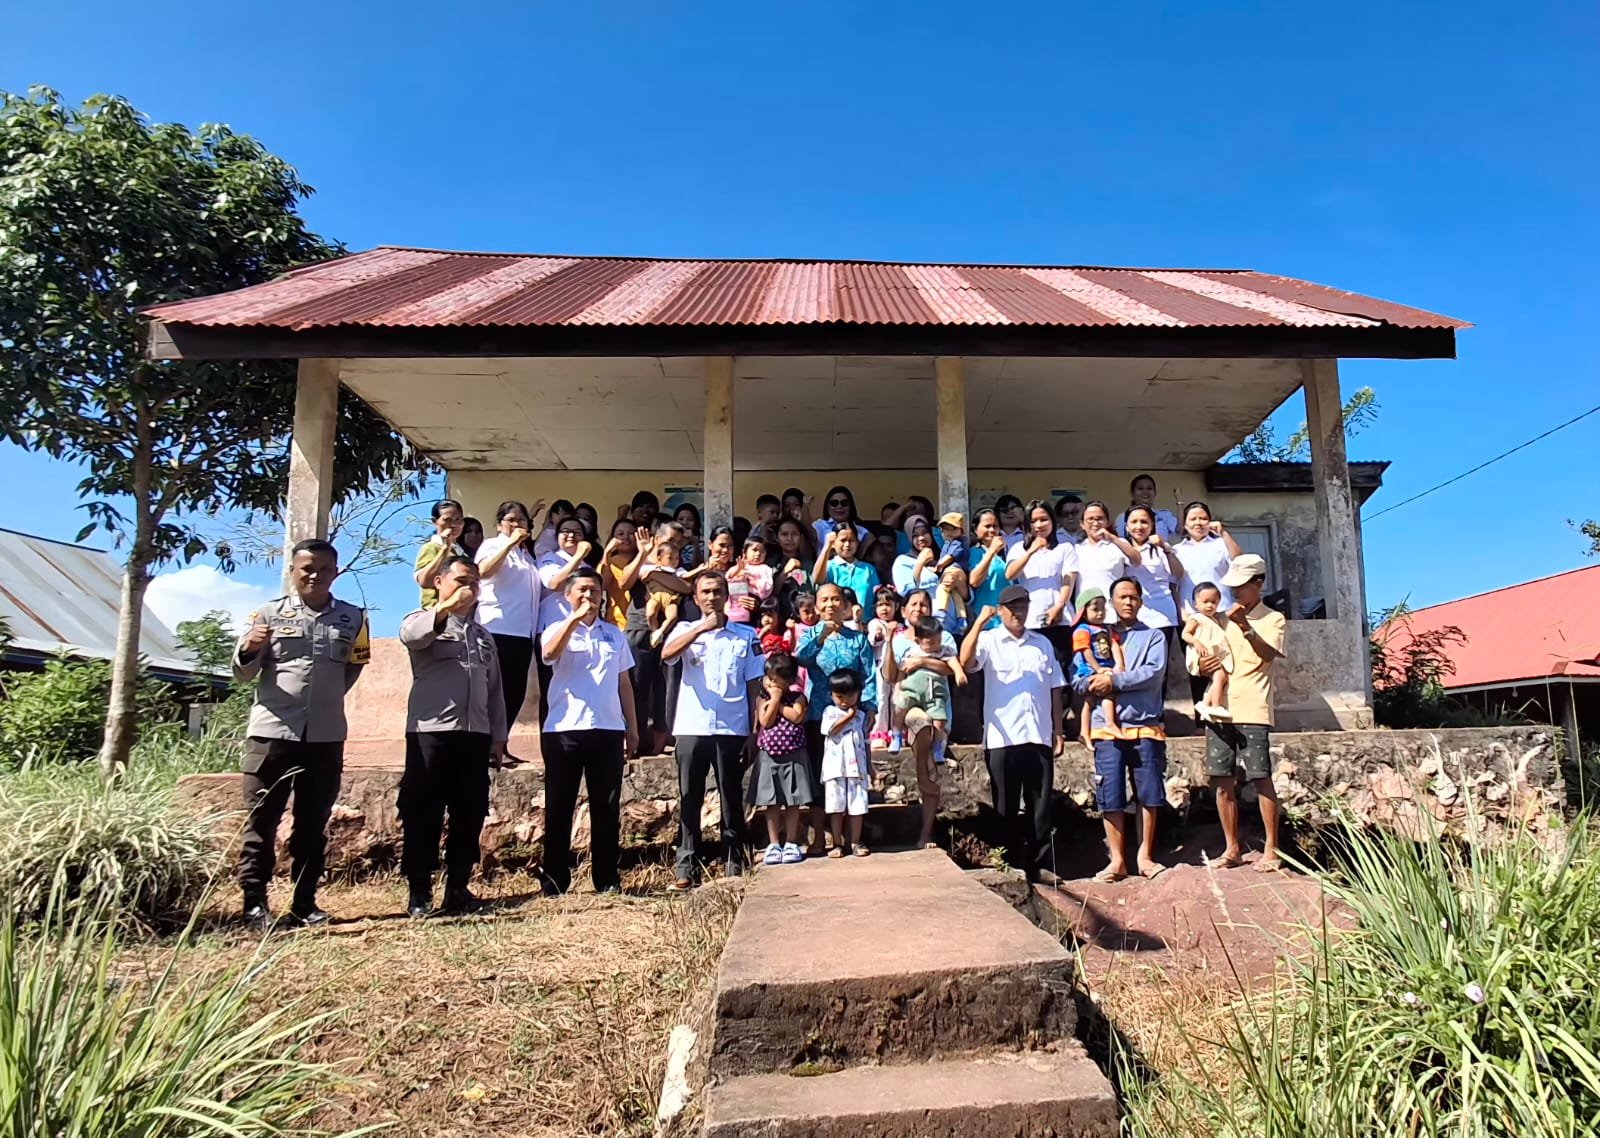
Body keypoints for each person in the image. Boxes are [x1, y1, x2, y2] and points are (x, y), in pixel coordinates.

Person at [233, 538, 369, 930]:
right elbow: (242, 672)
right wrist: (248, 649)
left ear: (335, 573)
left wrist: (324, 699)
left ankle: (304, 902)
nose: (315, 575)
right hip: (272, 733)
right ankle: (254, 904)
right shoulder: (267, 614)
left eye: (324, 569)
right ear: (292, 571)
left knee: (313, 823)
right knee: (262, 821)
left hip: (325, 736)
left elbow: (353, 667)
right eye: (307, 568)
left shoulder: (354, 618)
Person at [398, 556, 506, 917]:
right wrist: (444, 608)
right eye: (461, 580)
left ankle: (458, 888)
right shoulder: (422, 620)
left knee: (470, 811)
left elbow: (495, 690)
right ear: (439, 582)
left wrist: (498, 737)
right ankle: (419, 891)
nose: (469, 588)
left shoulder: (483, 635)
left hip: (475, 735)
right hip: (432, 733)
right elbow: (412, 637)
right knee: (423, 811)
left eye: (474, 582)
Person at [541, 566, 641, 895]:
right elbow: (549, 654)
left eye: (594, 590)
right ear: (568, 595)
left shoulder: (614, 634)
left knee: (607, 807)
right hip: (564, 729)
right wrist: (573, 620)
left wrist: (632, 727)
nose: (588, 596)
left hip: (608, 729)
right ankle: (555, 879)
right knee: (559, 806)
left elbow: (624, 683)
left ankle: (607, 878)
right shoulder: (555, 628)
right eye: (582, 590)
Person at [662, 572, 764, 890]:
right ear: (696, 598)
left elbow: (754, 685)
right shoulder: (684, 629)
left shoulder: (746, 636)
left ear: (726, 596)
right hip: (692, 725)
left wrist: (754, 731)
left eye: (717, 591)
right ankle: (686, 866)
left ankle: (734, 862)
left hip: (732, 727)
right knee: (689, 797)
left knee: (731, 797)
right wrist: (701, 628)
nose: (711, 597)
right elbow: (666, 655)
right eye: (705, 592)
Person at [958, 584, 1066, 883]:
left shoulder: (1042, 644)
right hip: (1002, 738)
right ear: (1002, 610)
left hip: (1038, 733)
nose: (1019, 613)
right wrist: (979, 623)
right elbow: (966, 662)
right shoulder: (989, 640)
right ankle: (1006, 863)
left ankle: (1040, 865)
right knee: (1005, 804)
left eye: (1023, 607)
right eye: (1013, 608)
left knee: (1040, 806)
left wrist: (1058, 729)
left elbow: (1055, 687)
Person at [1074, 577, 1170, 882]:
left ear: (1141, 601)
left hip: (1144, 725)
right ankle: (1117, 860)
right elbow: (1077, 677)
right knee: (1110, 793)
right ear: (1112, 601)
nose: (1128, 602)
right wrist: (1092, 682)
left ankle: (1145, 857)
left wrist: (1113, 681)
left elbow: (1152, 674)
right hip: (1106, 730)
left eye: (1133, 597)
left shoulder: (1153, 636)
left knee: (1149, 793)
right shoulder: (1096, 634)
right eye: (1122, 597)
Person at [1204, 555, 1287, 872]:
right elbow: (1213, 660)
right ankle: (1232, 849)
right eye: (1233, 586)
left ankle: (1271, 849)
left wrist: (1244, 625)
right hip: (1220, 708)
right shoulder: (1222, 619)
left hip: (1253, 707)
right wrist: (1204, 664)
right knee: (1222, 780)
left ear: (1258, 583)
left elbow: (1268, 655)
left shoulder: (1273, 619)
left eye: (1242, 585)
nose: (1236, 591)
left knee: (1260, 777)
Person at [794, 583, 878, 855]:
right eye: (824, 600)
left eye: (835, 600)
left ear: (845, 605)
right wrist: (821, 635)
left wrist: (870, 708)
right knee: (822, 777)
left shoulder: (858, 639)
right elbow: (801, 659)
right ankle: (821, 838)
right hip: (820, 716)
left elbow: (868, 674)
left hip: (852, 718)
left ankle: (853, 838)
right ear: (817, 606)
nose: (830, 605)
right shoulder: (810, 635)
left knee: (853, 776)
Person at [475, 500, 541, 766]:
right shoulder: (492, 545)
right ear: (499, 524)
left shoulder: (526, 555)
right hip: (497, 628)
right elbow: (483, 571)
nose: (516, 524)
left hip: (523, 633)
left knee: (514, 692)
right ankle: (484, 747)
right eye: (511, 520)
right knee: (494, 692)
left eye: (521, 520)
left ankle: (499, 745)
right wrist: (510, 542)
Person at [889, 616, 964, 846]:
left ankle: (926, 831)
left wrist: (923, 662)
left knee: (930, 766)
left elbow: (950, 667)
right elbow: (894, 674)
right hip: (913, 707)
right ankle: (897, 735)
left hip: (935, 707)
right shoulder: (903, 645)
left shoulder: (944, 645)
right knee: (920, 725)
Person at [1004, 500, 1079, 677]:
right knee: (1034, 669)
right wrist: (1031, 551)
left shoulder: (1064, 548)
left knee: (1061, 669)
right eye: (1033, 521)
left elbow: (1068, 580)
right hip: (1029, 619)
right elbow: (1010, 574)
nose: (1039, 525)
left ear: (1052, 521)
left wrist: (1059, 606)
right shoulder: (1018, 549)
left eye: (1044, 519)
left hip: (1059, 619)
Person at [751, 652, 811, 865]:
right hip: (770, 756)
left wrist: (778, 702)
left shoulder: (798, 698)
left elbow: (797, 716)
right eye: (768, 678)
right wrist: (774, 699)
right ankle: (774, 843)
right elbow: (765, 721)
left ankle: (792, 842)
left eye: (775, 680)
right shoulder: (763, 699)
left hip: (794, 755)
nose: (770, 683)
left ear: (789, 680)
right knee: (772, 802)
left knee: (793, 802)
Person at [534, 516, 592, 723]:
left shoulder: (588, 566)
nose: (571, 535)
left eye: (577, 532)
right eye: (565, 531)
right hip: (552, 630)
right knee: (551, 688)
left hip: (581, 633)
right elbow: (554, 583)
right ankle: (549, 737)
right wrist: (578, 556)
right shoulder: (549, 558)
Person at [821, 669, 872, 857]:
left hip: (857, 769)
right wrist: (848, 717)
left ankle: (856, 842)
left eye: (850, 696)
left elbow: (865, 741)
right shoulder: (830, 712)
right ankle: (837, 843)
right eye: (839, 696)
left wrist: (870, 767)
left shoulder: (862, 716)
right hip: (835, 769)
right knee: (836, 807)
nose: (844, 701)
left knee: (857, 806)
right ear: (831, 695)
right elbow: (831, 730)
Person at [1123, 506, 1184, 659]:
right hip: (1133, 617)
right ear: (1126, 526)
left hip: (1162, 617)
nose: (1139, 526)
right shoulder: (1120, 549)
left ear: (1152, 525)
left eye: (1144, 522)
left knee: (1161, 666)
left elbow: (1178, 574)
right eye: (1134, 522)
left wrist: (1165, 547)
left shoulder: (1160, 549)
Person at [1071, 589, 1124, 744]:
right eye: (1095, 609)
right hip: (1088, 672)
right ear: (1083, 612)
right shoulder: (1082, 630)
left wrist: (1119, 664)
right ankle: (1109, 723)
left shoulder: (1107, 629)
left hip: (1104, 669)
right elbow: (1085, 650)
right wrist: (1098, 669)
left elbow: (1114, 645)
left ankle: (1084, 732)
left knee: (1090, 700)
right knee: (1107, 692)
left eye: (1103, 608)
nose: (1100, 613)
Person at [1171, 501, 1244, 612]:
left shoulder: (1221, 544)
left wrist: (1223, 532)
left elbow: (1240, 561)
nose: (1198, 523)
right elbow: (1173, 584)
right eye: (1193, 519)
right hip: (1191, 613)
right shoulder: (1177, 550)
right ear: (1184, 525)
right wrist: (1181, 611)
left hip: (1221, 610)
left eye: (1203, 518)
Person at [1183, 583, 1233, 721]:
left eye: (1214, 602)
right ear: (1195, 604)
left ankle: (1205, 704)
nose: (1210, 605)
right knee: (1220, 676)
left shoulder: (1216, 620)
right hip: (1203, 654)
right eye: (1205, 602)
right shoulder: (1196, 618)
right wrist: (1196, 642)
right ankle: (1215, 705)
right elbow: (1185, 634)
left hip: (1214, 655)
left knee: (1220, 678)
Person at [1074, 501, 1134, 602]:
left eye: (1100, 519)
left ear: (1107, 522)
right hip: (1086, 608)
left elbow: (1137, 560)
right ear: (1082, 524)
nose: (1095, 523)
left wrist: (1112, 538)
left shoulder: (1119, 544)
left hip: (1112, 607)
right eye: (1090, 519)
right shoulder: (1076, 549)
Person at [866, 586, 903, 749]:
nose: (884, 609)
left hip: (898, 666)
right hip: (879, 664)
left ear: (896, 606)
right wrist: (881, 634)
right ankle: (878, 732)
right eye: (880, 605)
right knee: (881, 698)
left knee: (896, 698)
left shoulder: (901, 625)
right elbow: (874, 639)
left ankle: (896, 732)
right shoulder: (876, 623)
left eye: (888, 604)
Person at [413, 499, 467, 608]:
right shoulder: (431, 548)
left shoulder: (461, 553)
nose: (454, 525)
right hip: (437, 611)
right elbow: (425, 582)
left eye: (458, 520)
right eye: (447, 520)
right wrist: (444, 550)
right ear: (435, 521)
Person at [812, 524, 880, 609]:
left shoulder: (868, 569)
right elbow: (817, 579)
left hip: (865, 617)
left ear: (858, 543)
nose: (847, 544)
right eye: (843, 540)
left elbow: (877, 596)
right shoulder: (829, 566)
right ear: (834, 543)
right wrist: (827, 546)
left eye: (851, 540)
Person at [966, 508, 1008, 631]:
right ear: (975, 529)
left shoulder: (1005, 553)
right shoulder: (975, 552)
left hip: (1005, 621)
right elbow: (974, 581)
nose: (992, 530)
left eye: (995, 526)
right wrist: (991, 551)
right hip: (986, 622)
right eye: (987, 526)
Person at [811, 485, 873, 555]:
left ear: (850, 506)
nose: (839, 506)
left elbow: (870, 538)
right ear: (828, 507)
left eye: (844, 503)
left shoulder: (861, 530)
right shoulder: (819, 526)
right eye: (834, 503)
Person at [726, 535, 774, 625]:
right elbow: (728, 577)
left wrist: (752, 581)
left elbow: (767, 587)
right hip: (737, 599)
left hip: (754, 599)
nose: (758, 554)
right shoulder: (740, 566)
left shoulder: (765, 569)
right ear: (744, 552)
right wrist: (738, 569)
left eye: (762, 551)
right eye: (754, 550)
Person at [1116, 474, 1180, 541]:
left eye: (1149, 488)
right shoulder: (1123, 517)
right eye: (1140, 488)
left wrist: (1180, 502)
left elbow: (1180, 531)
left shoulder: (1164, 515)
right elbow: (1120, 541)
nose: (1145, 492)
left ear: (1155, 492)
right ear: (1132, 493)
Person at [892, 516, 941, 595]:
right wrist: (921, 563)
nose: (921, 538)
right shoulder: (902, 562)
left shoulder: (944, 558)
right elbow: (905, 592)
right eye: (915, 535)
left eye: (925, 532)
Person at [674, 503, 704, 570]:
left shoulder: (701, 545)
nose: (685, 522)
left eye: (690, 520)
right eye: (681, 519)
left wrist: (695, 543)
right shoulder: (670, 541)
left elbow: (698, 566)